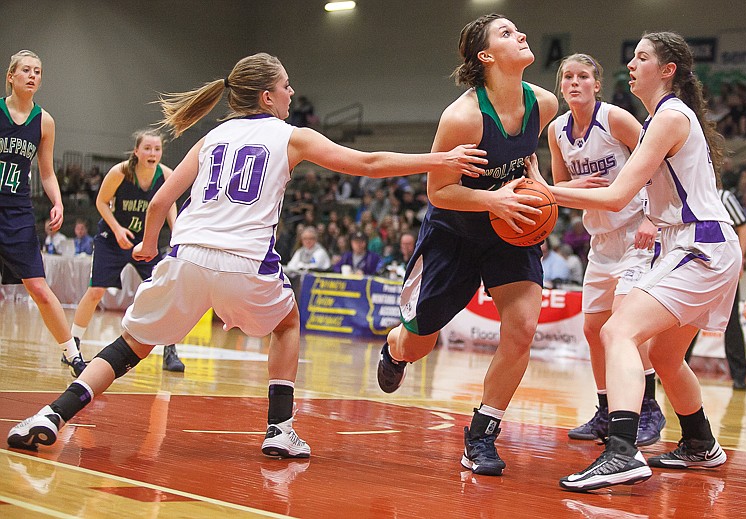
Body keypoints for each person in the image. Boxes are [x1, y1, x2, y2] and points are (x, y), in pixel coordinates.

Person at [7, 52, 487, 457]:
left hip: (186, 256)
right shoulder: (289, 135)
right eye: (285, 86)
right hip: (244, 262)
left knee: (129, 345)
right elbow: (366, 163)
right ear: (266, 97)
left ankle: (50, 414)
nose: (292, 93)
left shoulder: (212, 136)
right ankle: (279, 429)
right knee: (287, 323)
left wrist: (151, 242)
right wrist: (439, 160)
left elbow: (159, 202)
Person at [528, 31, 740, 492]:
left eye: (642, 57)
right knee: (663, 354)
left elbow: (619, 193)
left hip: (699, 243)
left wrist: (542, 189)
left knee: (617, 331)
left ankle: (622, 452)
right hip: (691, 243)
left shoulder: (667, 117)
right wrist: (551, 188)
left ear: (667, 70)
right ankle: (701, 444)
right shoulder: (661, 116)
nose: (632, 64)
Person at [377, 14, 558, 477]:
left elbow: (523, 161)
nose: (520, 34)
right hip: (455, 234)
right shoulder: (462, 117)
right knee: (418, 344)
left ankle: (482, 433)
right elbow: (438, 191)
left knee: (521, 329)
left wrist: (534, 191)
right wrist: (492, 199)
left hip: (509, 229)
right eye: (506, 33)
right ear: (486, 56)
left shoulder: (544, 103)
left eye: (519, 29)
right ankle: (395, 348)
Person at [547, 53, 665, 446]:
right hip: (600, 241)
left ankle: (647, 409)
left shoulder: (615, 118)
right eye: (568, 77)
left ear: (597, 85)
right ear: (561, 86)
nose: (575, 82)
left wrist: (654, 217)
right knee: (593, 329)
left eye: (583, 76)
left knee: (624, 327)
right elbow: (561, 190)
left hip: (638, 234)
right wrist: (561, 191)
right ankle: (604, 409)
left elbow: (661, 161)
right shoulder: (557, 130)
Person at [67, 129, 183, 373]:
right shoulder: (120, 172)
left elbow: (170, 203)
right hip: (113, 239)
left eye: (157, 149)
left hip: (145, 241)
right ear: (137, 151)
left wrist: (176, 232)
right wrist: (118, 230)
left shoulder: (167, 175)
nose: (153, 153)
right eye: (148, 148)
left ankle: (170, 350)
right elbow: (101, 201)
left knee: (164, 292)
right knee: (96, 290)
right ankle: (72, 346)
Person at [0, 50, 83, 375]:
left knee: (38, 287)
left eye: (38, 71)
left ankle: (72, 354)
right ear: (11, 76)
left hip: (18, 211)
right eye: (26, 70)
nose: (32, 75)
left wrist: (58, 202)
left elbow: (46, 172)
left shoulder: (44, 121)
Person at [687, 187, 746, 390]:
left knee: (731, 323)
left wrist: (738, 259)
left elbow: (743, 227)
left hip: (724, 267)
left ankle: (739, 377)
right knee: (688, 319)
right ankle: (676, 366)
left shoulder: (724, 197)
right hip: (698, 267)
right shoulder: (689, 195)